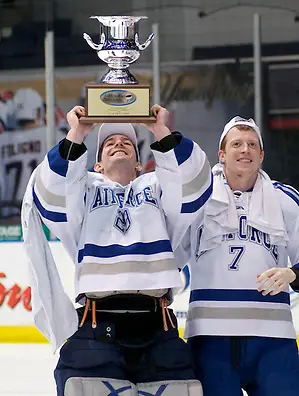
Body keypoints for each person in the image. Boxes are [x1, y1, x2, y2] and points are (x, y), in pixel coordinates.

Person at [22, 104, 212, 396]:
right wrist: (78, 132)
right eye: (109, 143)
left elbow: (194, 186)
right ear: (95, 165)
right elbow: (51, 194)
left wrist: (159, 129)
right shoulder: (83, 193)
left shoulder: (158, 188)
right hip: (96, 327)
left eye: (127, 142)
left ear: (139, 163)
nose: (118, 143)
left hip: (157, 325)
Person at [177, 116, 299, 396]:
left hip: (273, 339)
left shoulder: (286, 200)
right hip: (210, 337)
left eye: (252, 144)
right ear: (221, 154)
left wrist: (292, 273)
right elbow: (171, 256)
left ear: (261, 154)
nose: (245, 150)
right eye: (237, 144)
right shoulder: (197, 200)